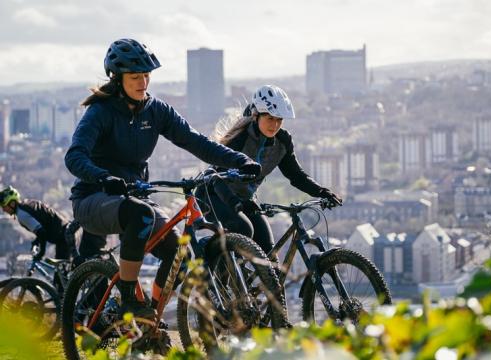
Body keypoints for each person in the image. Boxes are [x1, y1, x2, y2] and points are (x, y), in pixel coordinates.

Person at [64, 38, 261, 319]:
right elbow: (74, 156)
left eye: (147, 76)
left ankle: (149, 319)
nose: (143, 82)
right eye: (135, 77)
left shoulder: (156, 110)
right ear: (118, 79)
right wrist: (103, 177)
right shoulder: (101, 112)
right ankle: (129, 301)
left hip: (132, 198)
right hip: (94, 198)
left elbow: (197, 142)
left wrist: (240, 160)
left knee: (179, 255)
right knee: (142, 214)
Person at [197, 84, 342, 258]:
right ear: (256, 115)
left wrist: (321, 192)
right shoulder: (239, 139)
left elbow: (295, 175)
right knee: (244, 229)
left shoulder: (282, 142)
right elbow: (217, 179)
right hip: (213, 195)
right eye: (270, 119)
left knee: (268, 251)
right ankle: (211, 253)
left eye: (279, 120)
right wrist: (236, 203)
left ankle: (248, 282)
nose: (275, 125)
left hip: (244, 200)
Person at [0, 185, 75, 261]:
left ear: (12, 203)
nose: (3, 210)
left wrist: (41, 253)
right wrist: (36, 241)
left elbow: (41, 232)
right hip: (66, 231)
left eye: (4, 206)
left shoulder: (21, 215)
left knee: (63, 271)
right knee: (63, 269)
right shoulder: (27, 204)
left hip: (63, 237)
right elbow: (45, 224)